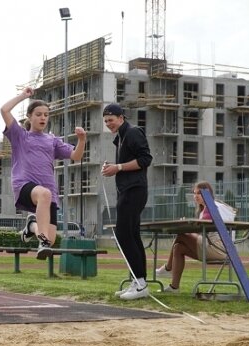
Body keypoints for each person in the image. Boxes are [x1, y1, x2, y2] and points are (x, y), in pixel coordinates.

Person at [0, 86, 86, 259]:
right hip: (24, 185)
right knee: (44, 196)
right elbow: (4, 110)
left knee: (51, 238)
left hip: (48, 193)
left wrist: (82, 139)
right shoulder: (20, 136)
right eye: (38, 114)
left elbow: (76, 156)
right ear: (30, 117)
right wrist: (23, 96)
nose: (43, 118)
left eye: (46, 115)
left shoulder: (52, 140)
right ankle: (41, 241)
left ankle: (32, 226)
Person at [101, 103, 153, 300]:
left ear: (121, 118)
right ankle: (138, 281)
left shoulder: (132, 132)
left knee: (124, 235)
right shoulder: (121, 137)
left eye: (111, 120)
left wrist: (119, 167)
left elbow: (146, 159)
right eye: (106, 121)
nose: (108, 124)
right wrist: (113, 167)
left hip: (134, 190)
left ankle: (140, 283)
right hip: (127, 190)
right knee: (131, 235)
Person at [154, 181, 236, 293]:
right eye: (194, 193)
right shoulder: (207, 209)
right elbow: (200, 233)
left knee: (181, 235)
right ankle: (174, 287)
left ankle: (168, 268)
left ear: (207, 194)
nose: (195, 196)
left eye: (199, 193)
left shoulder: (211, 208)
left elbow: (198, 229)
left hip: (219, 249)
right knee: (178, 248)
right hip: (214, 247)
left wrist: (186, 225)